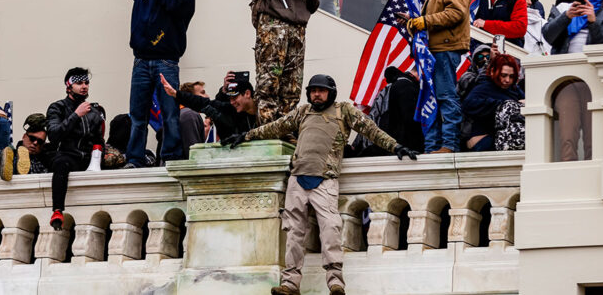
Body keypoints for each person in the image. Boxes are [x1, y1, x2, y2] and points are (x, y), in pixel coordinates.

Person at [223, 74, 418, 295]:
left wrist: (396, 147)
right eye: (313, 90)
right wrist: (246, 136)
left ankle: (335, 283)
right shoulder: (303, 112)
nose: (317, 94)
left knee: (330, 230)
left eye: (321, 90)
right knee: (294, 232)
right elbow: (275, 127)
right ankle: (290, 284)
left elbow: (371, 130)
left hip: (325, 180)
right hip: (297, 179)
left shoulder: (343, 110)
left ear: (331, 92)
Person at [95, 0, 197, 167]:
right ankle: (135, 158)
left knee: (170, 113)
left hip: (166, 61)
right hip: (140, 59)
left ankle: (171, 158)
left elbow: (173, 4)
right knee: (137, 116)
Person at [404, 0, 470, 153]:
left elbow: (456, 13)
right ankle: (432, 146)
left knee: (445, 96)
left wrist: (424, 21)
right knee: (430, 98)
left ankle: (449, 145)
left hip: (445, 49)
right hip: (434, 50)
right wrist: (413, 21)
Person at [251, 0, 320, 124]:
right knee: (269, 78)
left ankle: (286, 127)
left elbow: (313, 7)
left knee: (292, 84)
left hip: (298, 30)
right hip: (273, 25)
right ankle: (267, 125)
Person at [47, 68, 106, 229]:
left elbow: (99, 139)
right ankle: (57, 211)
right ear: (68, 86)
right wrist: (76, 115)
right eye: (79, 83)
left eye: (86, 82)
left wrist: (99, 156)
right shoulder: (57, 107)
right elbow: (53, 135)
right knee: (61, 163)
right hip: (67, 156)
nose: (84, 86)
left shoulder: (94, 112)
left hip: (87, 159)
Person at [161, 72, 257, 141]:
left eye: (235, 97)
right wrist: (176, 94)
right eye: (230, 98)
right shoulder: (230, 109)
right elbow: (202, 102)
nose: (232, 102)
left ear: (247, 94)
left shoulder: (268, 108)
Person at [350, 66, 423, 156]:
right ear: (421, 72)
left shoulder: (394, 85)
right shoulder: (407, 86)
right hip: (403, 152)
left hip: (390, 149)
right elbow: (411, 120)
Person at [461, 53, 525, 151]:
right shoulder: (484, 87)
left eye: (511, 76)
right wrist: (503, 105)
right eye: (503, 75)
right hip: (484, 142)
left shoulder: (515, 90)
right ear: (492, 72)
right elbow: (468, 105)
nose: (507, 80)